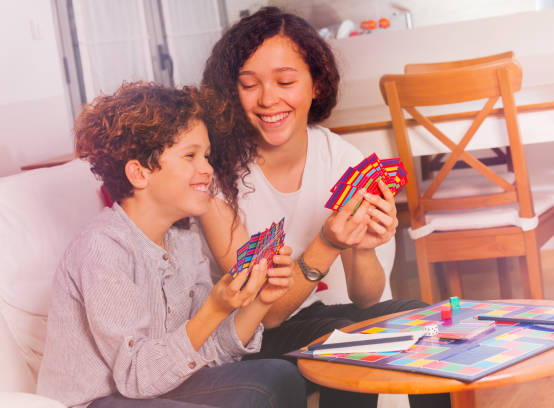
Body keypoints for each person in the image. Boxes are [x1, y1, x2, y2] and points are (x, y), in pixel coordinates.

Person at [198, 7, 451, 408]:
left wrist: (363, 246)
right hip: (246, 337)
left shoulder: (342, 159)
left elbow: (368, 299)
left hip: (316, 315)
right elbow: (263, 317)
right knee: (341, 340)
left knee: (422, 319)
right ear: (233, 92)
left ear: (315, 85)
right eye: (249, 85)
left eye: (285, 81)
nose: (268, 99)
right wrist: (329, 243)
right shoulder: (215, 181)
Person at [36, 81, 306, 408]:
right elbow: (137, 377)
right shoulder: (102, 249)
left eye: (205, 155)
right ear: (139, 173)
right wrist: (215, 308)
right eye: (190, 155)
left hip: (157, 387)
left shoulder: (185, 241)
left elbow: (206, 352)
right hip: (101, 401)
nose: (207, 169)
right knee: (256, 393)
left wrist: (260, 300)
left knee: (280, 375)